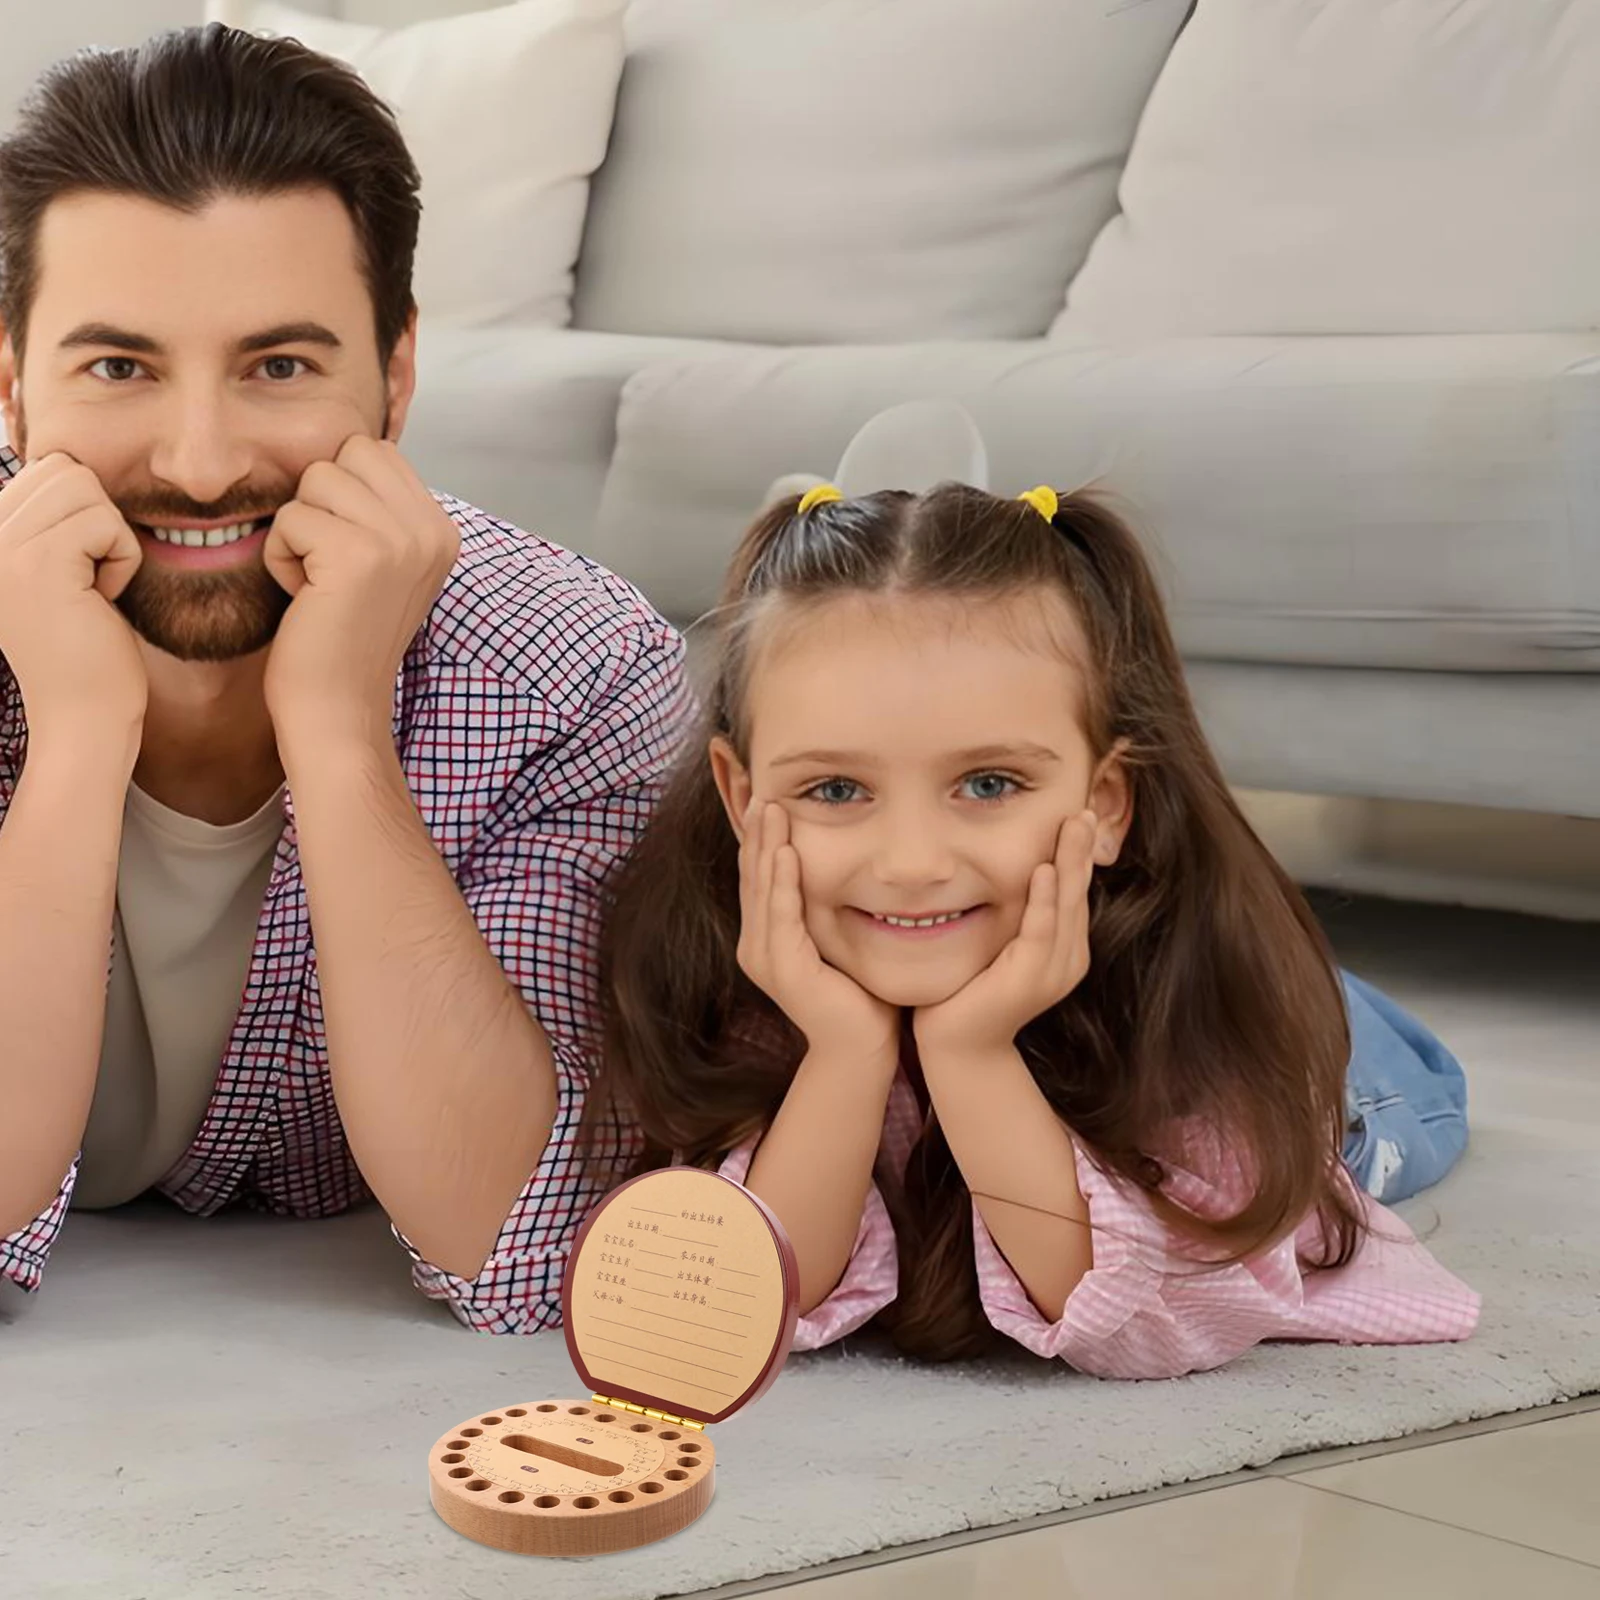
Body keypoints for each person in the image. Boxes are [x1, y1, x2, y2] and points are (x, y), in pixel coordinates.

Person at [0, 24, 689, 1331]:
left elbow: (513, 1236)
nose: (200, 463)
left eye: (278, 366)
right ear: (13, 391)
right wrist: (81, 736)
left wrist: (337, 732)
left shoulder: (577, 671)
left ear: (396, 376)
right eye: (117, 366)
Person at [593, 480, 1479, 1378]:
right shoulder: (744, 969)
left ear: (1103, 803)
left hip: (1318, 1056)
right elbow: (748, 1303)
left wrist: (972, 1053)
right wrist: (844, 1051)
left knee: (1375, 1104)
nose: (911, 863)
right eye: (835, 789)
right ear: (742, 797)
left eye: (987, 784)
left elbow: (1148, 1324)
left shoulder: (1192, 1002)